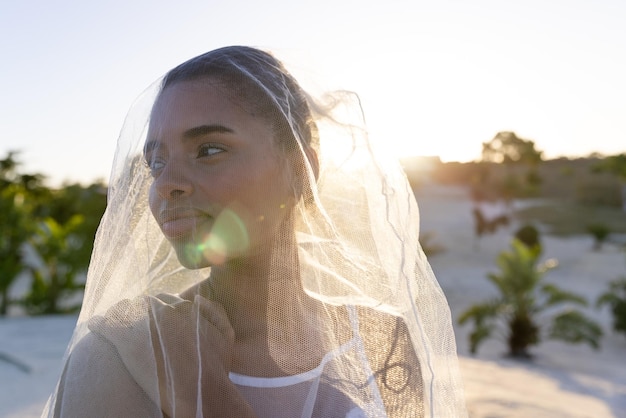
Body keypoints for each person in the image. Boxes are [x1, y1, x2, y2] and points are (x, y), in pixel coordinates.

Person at [43, 46, 466, 417]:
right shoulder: (125, 353)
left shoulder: (380, 336)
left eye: (209, 150)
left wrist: (205, 395)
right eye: (156, 162)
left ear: (301, 170)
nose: (166, 183)